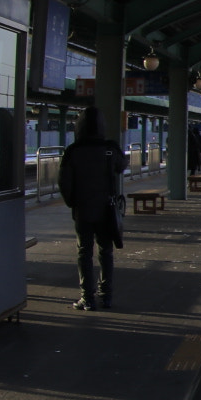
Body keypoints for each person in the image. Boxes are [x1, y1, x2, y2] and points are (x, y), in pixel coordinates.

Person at [58, 107, 128, 311]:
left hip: (83, 210)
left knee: (84, 253)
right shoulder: (109, 148)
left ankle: (87, 298)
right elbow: (122, 165)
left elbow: (64, 182)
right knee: (106, 252)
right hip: (106, 209)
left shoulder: (73, 151)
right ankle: (106, 296)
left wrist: (73, 202)